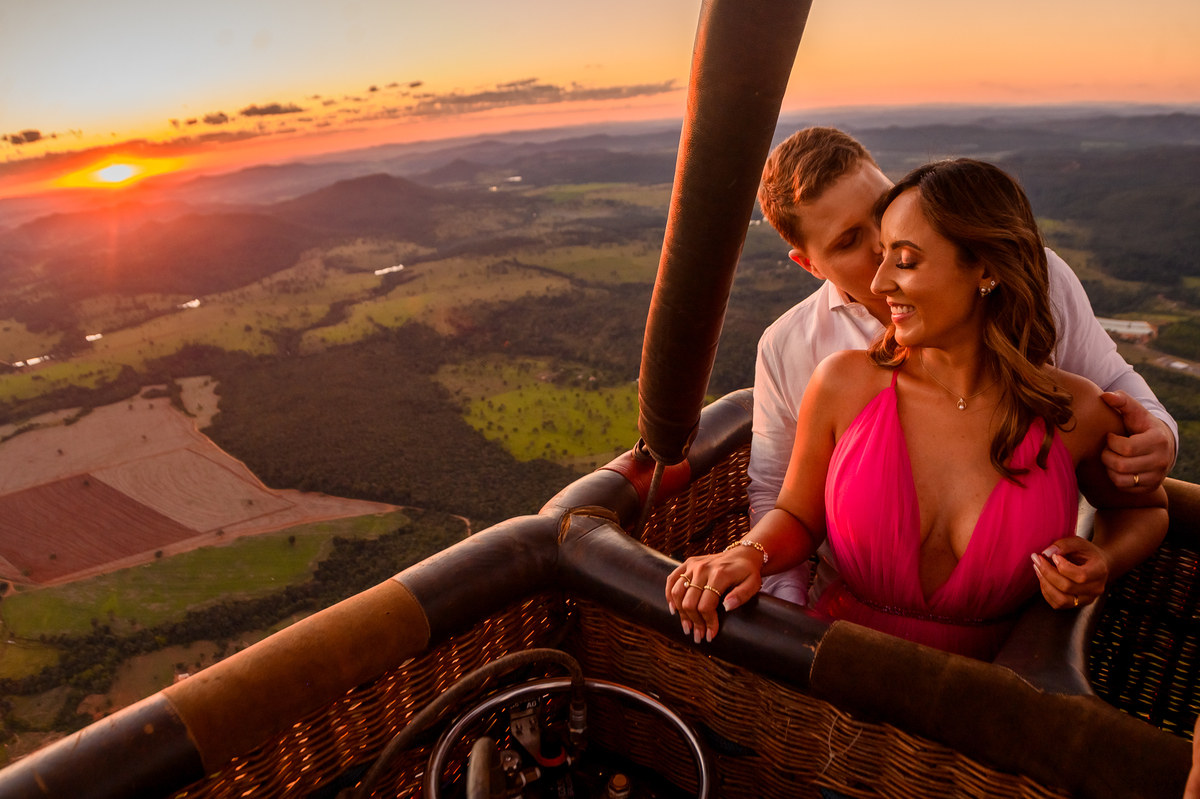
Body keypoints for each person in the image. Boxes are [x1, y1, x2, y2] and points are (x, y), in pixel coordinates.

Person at [666, 159, 1168, 660]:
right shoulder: (841, 382)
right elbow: (796, 512)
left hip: (998, 690)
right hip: (840, 670)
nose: (879, 282)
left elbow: (1144, 507)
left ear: (986, 269)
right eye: (875, 255)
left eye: (902, 260)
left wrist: (1104, 559)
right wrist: (746, 555)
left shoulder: (1070, 408)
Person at [748, 128, 1177, 606]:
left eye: (882, 214)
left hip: (1019, 616)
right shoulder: (795, 352)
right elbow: (777, 497)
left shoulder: (1038, 278)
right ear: (810, 264)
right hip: (843, 615)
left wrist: (1157, 435)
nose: (879, 255)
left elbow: (1113, 388)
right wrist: (784, 615)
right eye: (850, 241)